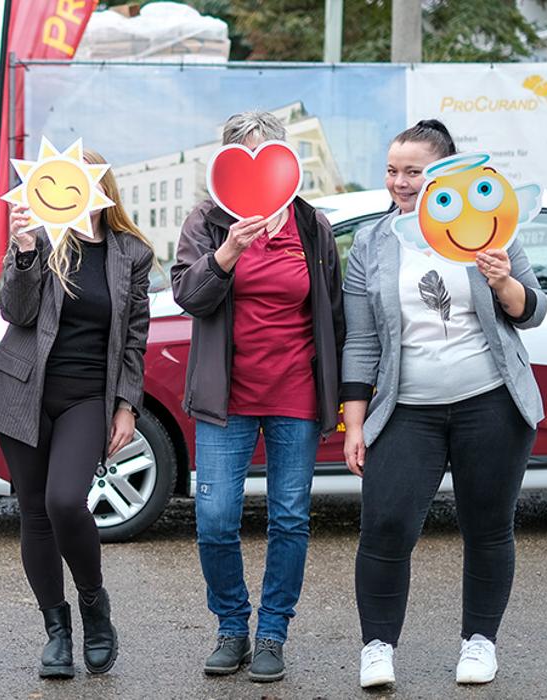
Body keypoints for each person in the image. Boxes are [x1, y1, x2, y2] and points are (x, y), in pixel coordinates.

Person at [341, 119, 547, 689]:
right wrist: (354, 422)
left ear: (443, 174)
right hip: (407, 409)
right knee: (385, 526)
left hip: (491, 404)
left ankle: (480, 642)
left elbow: (533, 310)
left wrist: (504, 280)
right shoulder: (372, 242)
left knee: (488, 527)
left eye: (413, 171)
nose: (400, 183)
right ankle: (377, 647)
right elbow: (360, 341)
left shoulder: (488, 227)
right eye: (392, 170)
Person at [171, 110, 345, 683]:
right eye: (246, 156)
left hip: (295, 391)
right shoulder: (208, 222)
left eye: (270, 156)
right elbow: (188, 297)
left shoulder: (311, 225)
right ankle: (231, 626)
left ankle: (272, 633)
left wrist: (343, 398)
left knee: (289, 518)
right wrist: (227, 254)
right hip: (228, 397)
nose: (260, 169)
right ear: (226, 165)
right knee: (215, 518)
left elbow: (336, 315)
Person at [0, 149, 153, 679]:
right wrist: (25, 251)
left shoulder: (130, 253)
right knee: (33, 510)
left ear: (99, 188)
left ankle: (95, 608)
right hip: (22, 390)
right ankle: (57, 629)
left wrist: (126, 405)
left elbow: (135, 338)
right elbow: (16, 312)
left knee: (64, 501)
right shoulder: (43, 239)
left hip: (86, 398)